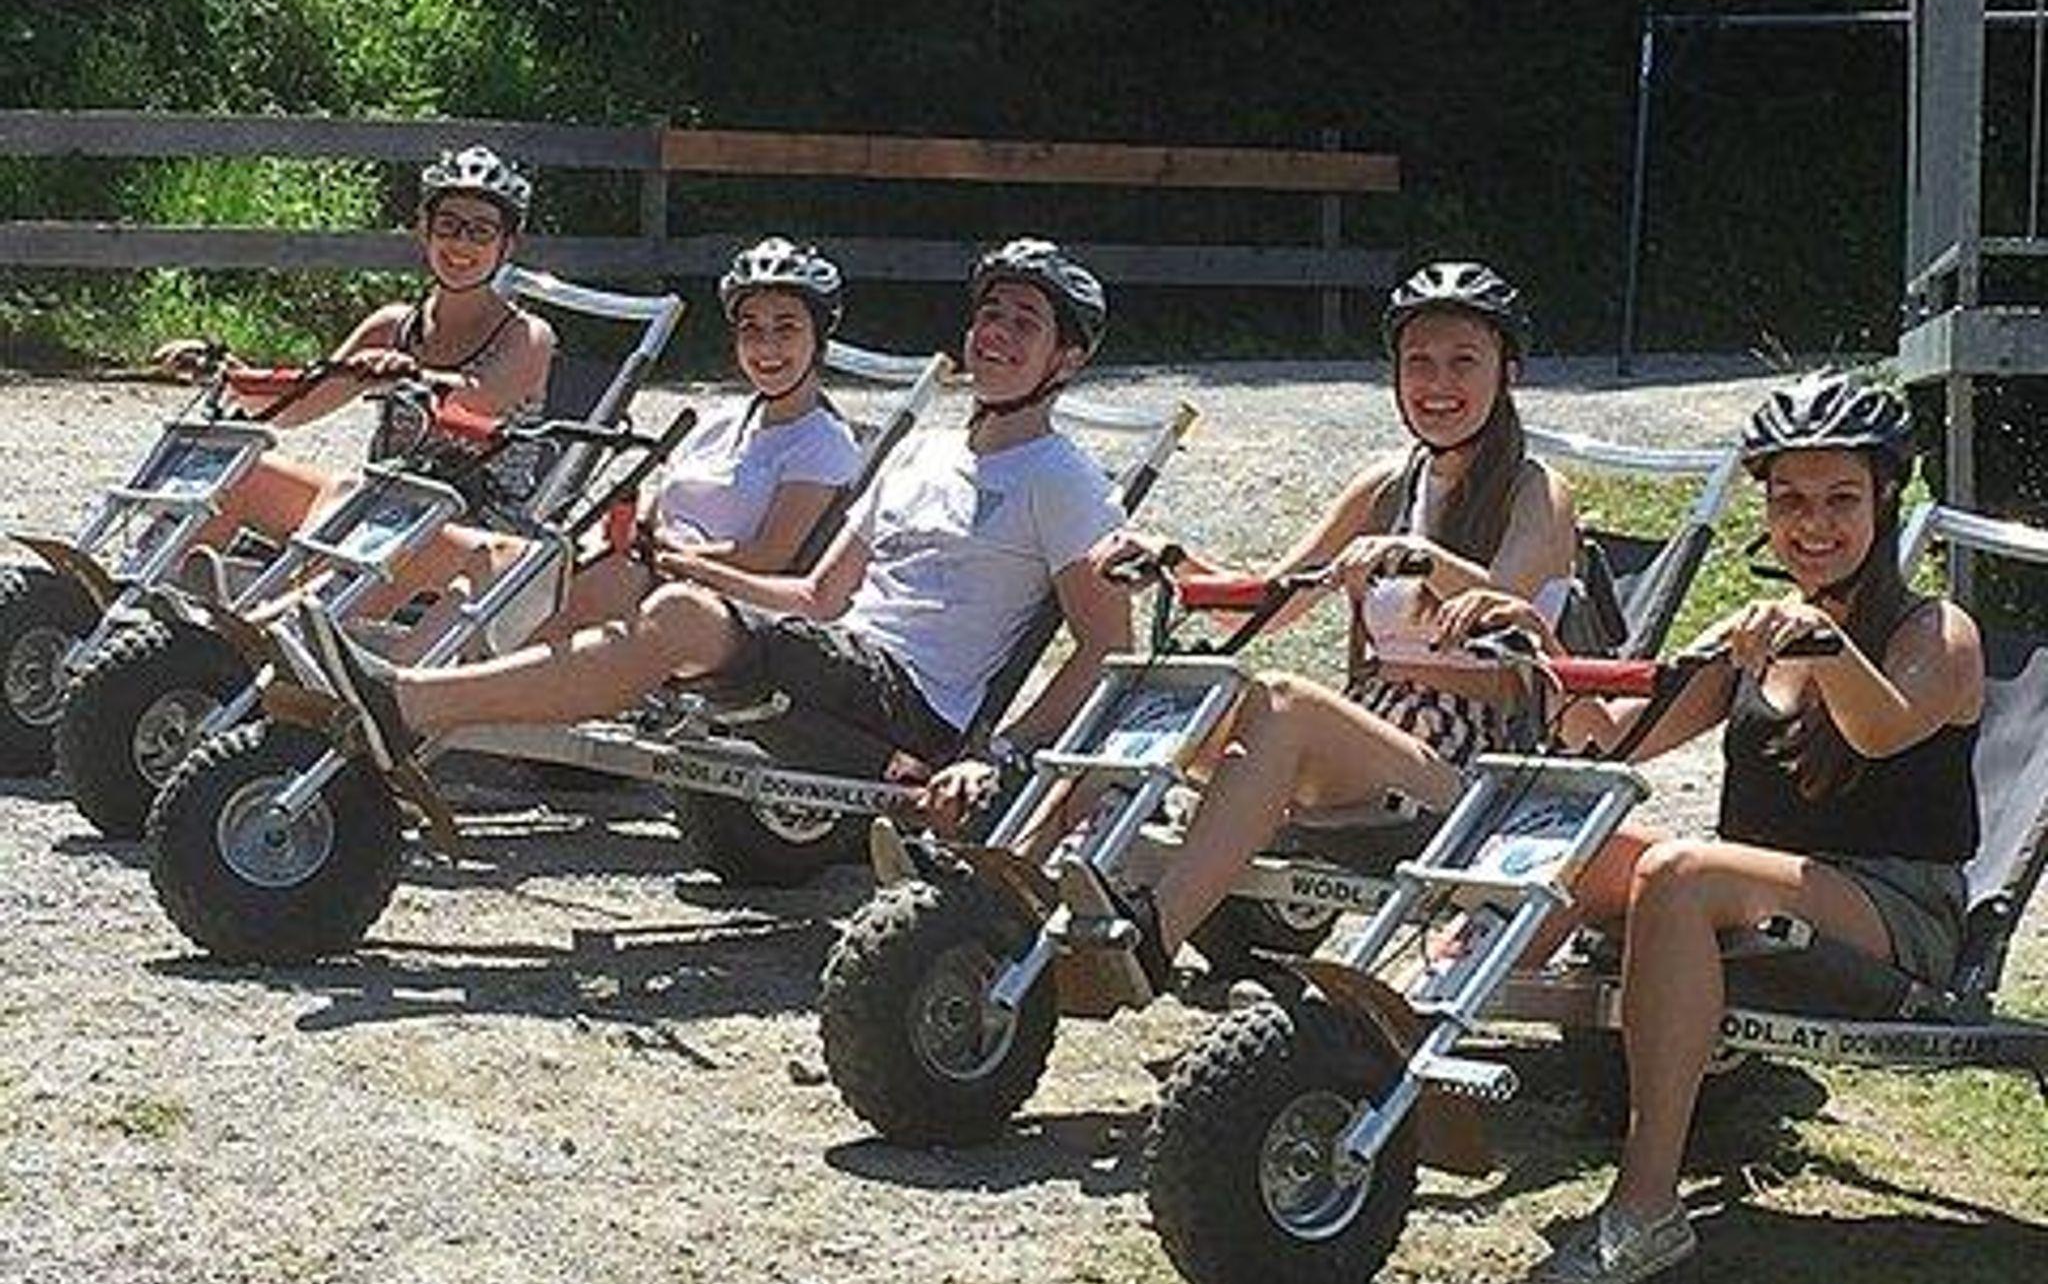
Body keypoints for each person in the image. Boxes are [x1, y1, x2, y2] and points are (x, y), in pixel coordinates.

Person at [1450, 373, 1983, 1284]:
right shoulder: (1760, 641)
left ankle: (1646, 1205)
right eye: (1790, 502)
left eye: (1841, 500)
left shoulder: (1938, 632)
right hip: (1765, 889)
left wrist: (1819, 640)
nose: (1813, 525)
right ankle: (1400, 1055)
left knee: (1679, 871)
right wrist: (1536, 646)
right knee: (1571, 842)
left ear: (1886, 498)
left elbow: (1880, 729)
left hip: (1897, 913)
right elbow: (1611, 740)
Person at [279, 238, 1133, 783]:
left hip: (915, 703)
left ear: (1066, 357)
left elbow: (1107, 646)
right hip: (838, 657)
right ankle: (401, 687)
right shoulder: (922, 453)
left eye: (1026, 323)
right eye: (990, 315)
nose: (997, 334)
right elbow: (817, 598)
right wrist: (682, 567)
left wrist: (999, 754)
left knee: (680, 613)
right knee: (632, 588)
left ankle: (410, 702)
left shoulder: (1061, 480)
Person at [1031, 260, 1578, 997]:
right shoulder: (1387, 486)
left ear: (1507, 373)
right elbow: (1268, 602)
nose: (1437, 383)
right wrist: (1173, 559)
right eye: (1418, 361)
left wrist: (1422, 559)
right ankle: (1010, 895)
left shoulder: (1537, 491)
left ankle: (1154, 937)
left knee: (1284, 702)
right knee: (1159, 698)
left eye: (1463, 362)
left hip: (1468, 772)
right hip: (1370, 743)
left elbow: (1503, 599)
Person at [152, 145, 555, 648]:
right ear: (423, 230)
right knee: (243, 469)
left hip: (470, 519)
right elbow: (297, 404)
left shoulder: (528, 336)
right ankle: (152, 598)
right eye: (448, 225)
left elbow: (473, 405)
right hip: (378, 500)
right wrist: (227, 372)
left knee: (357, 497)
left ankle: (261, 629)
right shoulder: (392, 326)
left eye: (481, 231)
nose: (460, 243)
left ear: (507, 245)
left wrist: (403, 374)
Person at [538, 238, 862, 637]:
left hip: (712, 602)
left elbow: (769, 557)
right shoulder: (719, 420)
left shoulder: (822, 443)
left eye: (787, 328)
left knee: (564, 598)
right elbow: (656, 508)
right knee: (515, 564)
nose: (767, 346)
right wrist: (636, 530)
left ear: (819, 337)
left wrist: (678, 556)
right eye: (751, 328)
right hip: (651, 570)